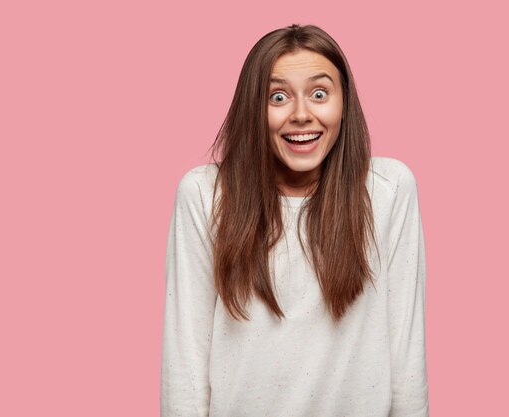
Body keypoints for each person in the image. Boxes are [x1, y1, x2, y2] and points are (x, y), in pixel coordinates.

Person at [160, 24, 429, 417]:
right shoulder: (205, 195)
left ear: (344, 103)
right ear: (253, 107)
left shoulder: (388, 190)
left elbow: (406, 353)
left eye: (320, 94)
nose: (302, 115)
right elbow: (185, 360)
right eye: (278, 96)